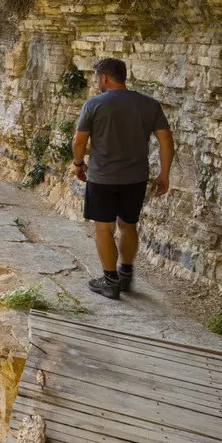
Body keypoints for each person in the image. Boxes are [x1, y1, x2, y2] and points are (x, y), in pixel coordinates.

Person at [70, 57, 172, 301]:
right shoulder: (149, 104)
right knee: (128, 225)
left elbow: (78, 141)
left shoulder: (94, 104)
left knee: (104, 228)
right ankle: (125, 274)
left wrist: (78, 164)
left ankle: (109, 281)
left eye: (97, 78)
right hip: (135, 178)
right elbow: (166, 140)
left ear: (104, 77)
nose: (97, 82)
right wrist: (164, 174)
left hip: (102, 177)